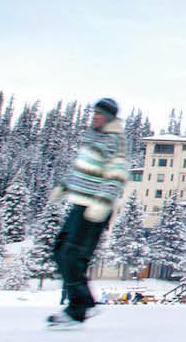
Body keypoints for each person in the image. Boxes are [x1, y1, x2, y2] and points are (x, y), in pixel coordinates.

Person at [46, 97, 131, 329]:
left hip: (96, 207)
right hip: (79, 203)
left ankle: (79, 308)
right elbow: (81, 169)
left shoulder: (115, 141)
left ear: (110, 117)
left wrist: (102, 203)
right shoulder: (93, 139)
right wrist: (64, 186)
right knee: (60, 251)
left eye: (100, 114)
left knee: (72, 255)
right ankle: (82, 305)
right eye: (94, 113)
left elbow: (117, 174)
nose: (95, 117)